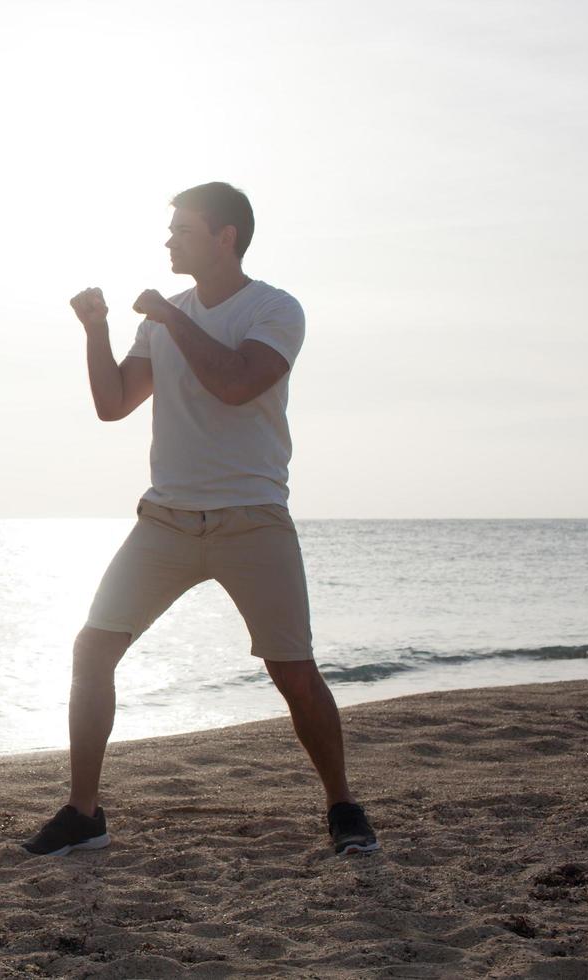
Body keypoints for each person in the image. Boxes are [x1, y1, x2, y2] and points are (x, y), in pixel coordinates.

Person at [22, 182, 379, 860]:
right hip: (167, 520)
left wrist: (167, 315)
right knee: (92, 649)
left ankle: (343, 805)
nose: (168, 240)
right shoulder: (160, 320)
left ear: (226, 237)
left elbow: (237, 381)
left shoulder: (274, 309)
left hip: (254, 520)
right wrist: (97, 332)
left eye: (182, 229)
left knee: (293, 671)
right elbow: (113, 402)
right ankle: (83, 810)